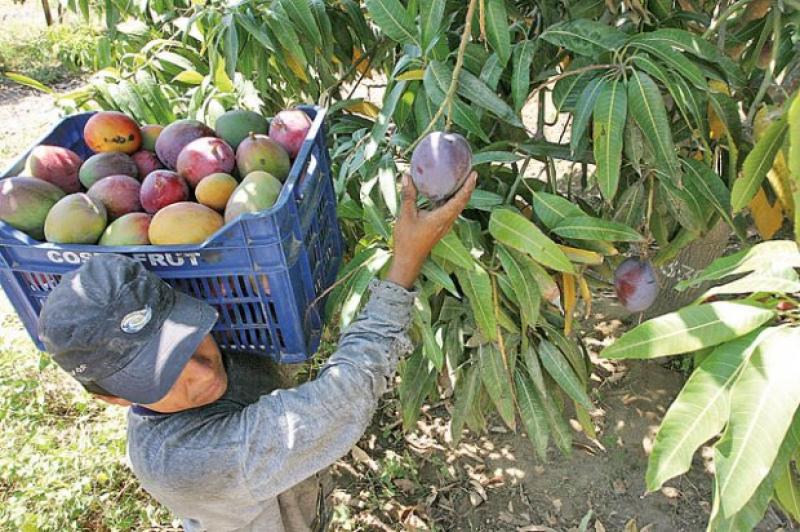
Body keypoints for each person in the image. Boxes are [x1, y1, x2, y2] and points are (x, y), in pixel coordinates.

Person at [37, 171, 477, 531]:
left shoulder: (222, 341)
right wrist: (404, 265)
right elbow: (343, 399)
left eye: (188, 336)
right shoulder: (190, 462)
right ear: (112, 398)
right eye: (163, 374)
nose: (202, 371)